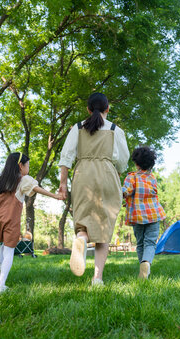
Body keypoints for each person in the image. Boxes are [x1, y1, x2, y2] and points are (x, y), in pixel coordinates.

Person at [0, 152, 64, 294]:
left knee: (3, 243)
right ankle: (0, 285)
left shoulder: (0, 180)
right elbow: (37, 189)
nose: (28, 168)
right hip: (10, 219)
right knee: (10, 249)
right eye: (27, 164)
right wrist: (54, 195)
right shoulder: (23, 180)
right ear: (20, 165)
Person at [58, 92, 129, 286]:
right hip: (107, 174)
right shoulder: (116, 130)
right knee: (104, 228)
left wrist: (63, 184)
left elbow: (66, 157)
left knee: (83, 221)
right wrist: (118, 173)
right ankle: (97, 278)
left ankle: (81, 239)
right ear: (107, 109)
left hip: (83, 175)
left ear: (88, 109)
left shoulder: (77, 128)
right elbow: (123, 161)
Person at [122, 146, 166, 279]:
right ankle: (146, 263)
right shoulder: (152, 177)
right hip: (153, 215)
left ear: (136, 163)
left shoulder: (132, 177)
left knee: (140, 243)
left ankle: (143, 265)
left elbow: (126, 191)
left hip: (137, 216)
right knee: (150, 243)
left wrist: (123, 197)